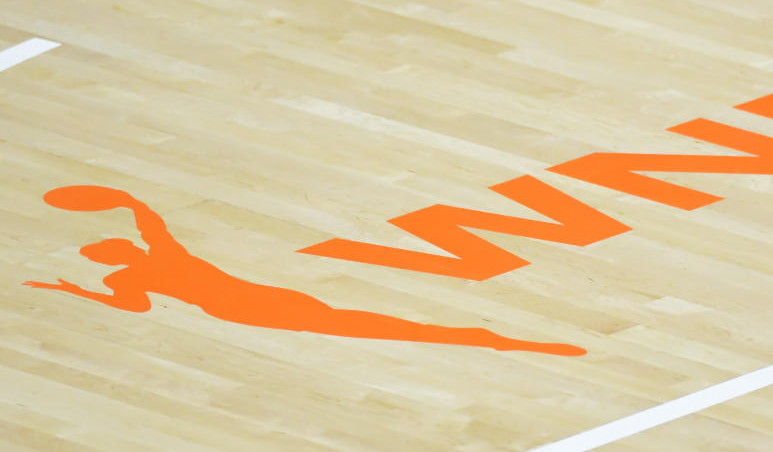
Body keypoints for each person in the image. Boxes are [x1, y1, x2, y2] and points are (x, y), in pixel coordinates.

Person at [26, 185, 586, 356]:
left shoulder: (142, 272)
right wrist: (124, 202)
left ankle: (483, 338)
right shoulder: (158, 262)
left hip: (253, 305)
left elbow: (132, 299)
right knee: (362, 323)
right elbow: (150, 226)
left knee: (358, 321)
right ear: (118, 252)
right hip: (249, 303)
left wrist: (74, 289)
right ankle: (486, 339)